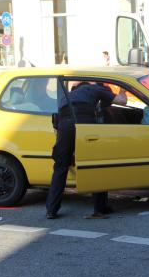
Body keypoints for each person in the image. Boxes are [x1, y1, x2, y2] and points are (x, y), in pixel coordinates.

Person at [46, 80, 128, 219]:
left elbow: (56, 126)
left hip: (64, 127)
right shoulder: (94, 89)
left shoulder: (66, 96)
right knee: (96, 166)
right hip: (85, 123)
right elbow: (122, 101)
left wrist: (66, 152)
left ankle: (51, 210)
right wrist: (123, 89)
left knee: (60, 167)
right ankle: (100, 208)